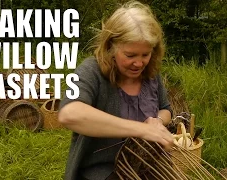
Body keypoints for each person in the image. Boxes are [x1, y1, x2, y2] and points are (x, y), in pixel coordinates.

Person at [58, 1, 174, 180]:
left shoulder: (151, 73)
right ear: (111, 47)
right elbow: (69, 113)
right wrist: (140, 130)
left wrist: (156, 122)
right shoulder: (89, 70)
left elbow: (166, 109)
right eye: (130, 55)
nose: (139, 63)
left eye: (145, 54)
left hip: (148, 166)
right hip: (101, 173)